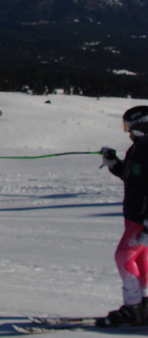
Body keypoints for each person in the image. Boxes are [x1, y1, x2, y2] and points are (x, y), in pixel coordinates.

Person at [99, 106, 148, 327]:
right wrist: (114, 164)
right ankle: (142, 303)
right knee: (140, 259)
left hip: (142, 218)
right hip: (133, 215)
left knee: (124, 257)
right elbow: (132, 176)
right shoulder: (139, 148)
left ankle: (133, 306)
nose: (126, 132)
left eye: (128, 127)